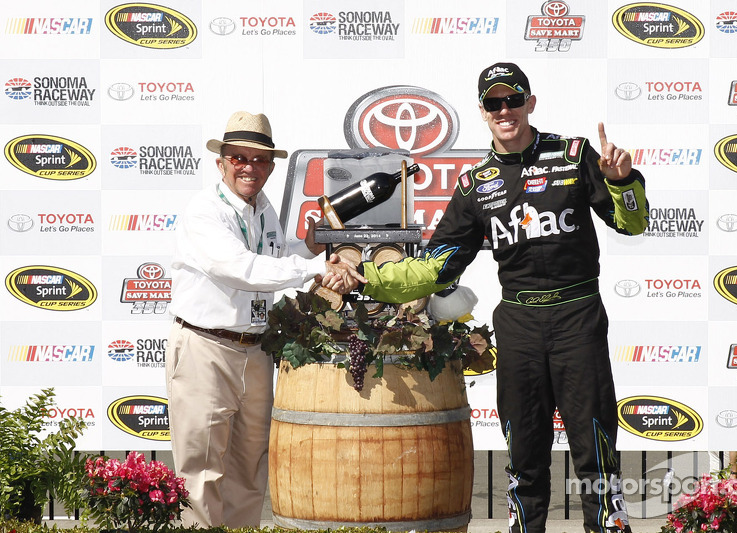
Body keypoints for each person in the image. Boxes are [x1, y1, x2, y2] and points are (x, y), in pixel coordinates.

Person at [327, 62, 649, 533]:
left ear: (530, 103)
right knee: (524, 454)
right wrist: (367, 276)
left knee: (595, 452)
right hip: (518, 322)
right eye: (495, 102)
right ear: (483, 111)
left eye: (513, 100)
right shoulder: (476, 183)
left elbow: (632, 223)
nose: (505, 110)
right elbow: (436, 268)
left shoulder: (574, 154)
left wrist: (622, 181)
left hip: (577, 315)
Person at [166, 111, 363, 528]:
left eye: (259, 160)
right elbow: (239, 268)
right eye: (239, 158)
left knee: (249, 469)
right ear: (221, 163)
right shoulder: (204, 210)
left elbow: (270, 257)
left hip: (254, 352)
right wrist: (315, 270)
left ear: (271, 167)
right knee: (200, 472)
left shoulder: (264, 209)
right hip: (206, 348)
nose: (249, 168)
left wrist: (309, 248)